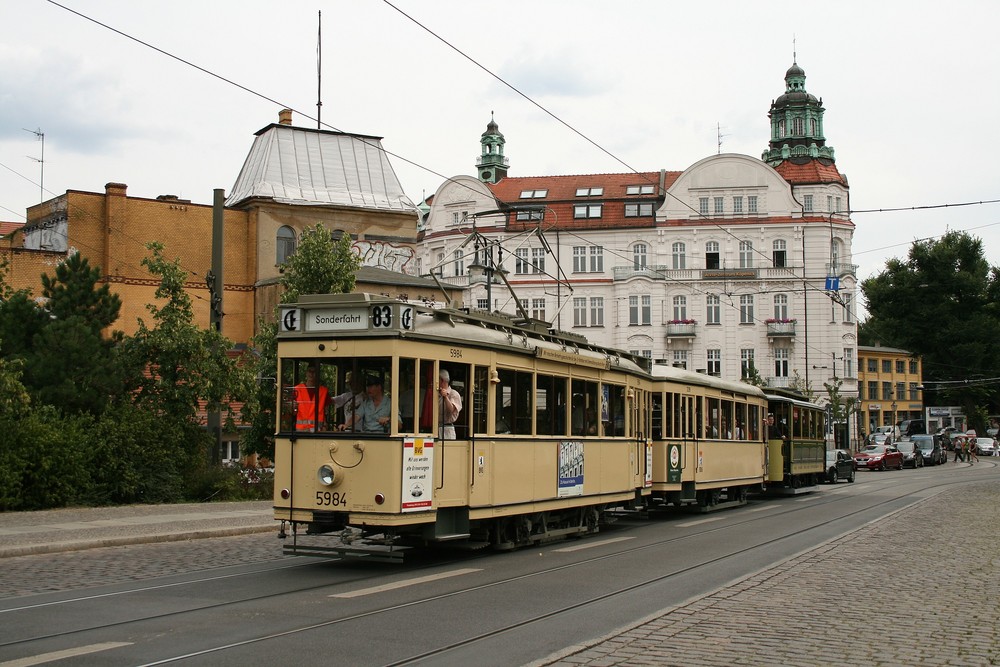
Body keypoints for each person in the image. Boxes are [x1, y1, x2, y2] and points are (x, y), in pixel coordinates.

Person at [294, 364, 329, 432]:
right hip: (300, 433)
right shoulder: (297, 389)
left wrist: (325, 426)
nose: (311, 373)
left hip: (317, 432)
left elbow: (325, 412)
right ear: (306, 373)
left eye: (314, 371)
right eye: (309, 371)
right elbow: (292, 412)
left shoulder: (323, 391)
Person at [438, 369, 463, 440]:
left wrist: (445, 397)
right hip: (435, 428)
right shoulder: (436, 394)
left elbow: (451, 410)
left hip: (447, 429)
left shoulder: (454, 394)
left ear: (442, 380)